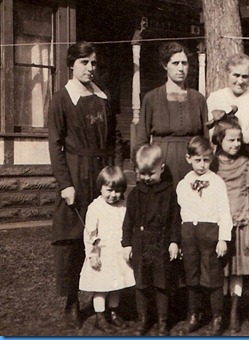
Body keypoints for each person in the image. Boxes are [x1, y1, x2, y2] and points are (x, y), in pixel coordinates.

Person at [48, 41, 118, 329]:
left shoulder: (103, 97)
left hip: (101, 174)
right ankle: (72, 302)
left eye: (93, 63)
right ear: (71, 65)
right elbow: (55, 145)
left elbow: (114, 139)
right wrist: (65, 183)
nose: (91, 68)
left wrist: (115, 173)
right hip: (76, 175)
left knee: (107, 235)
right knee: (74, 238)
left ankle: (107, 302)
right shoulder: (61, 99)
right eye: (84, 63)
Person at [209, 116, 249, 333]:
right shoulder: (212, 164)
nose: (236, 144)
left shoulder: (247, 163)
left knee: (237, 271)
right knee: (221, 271)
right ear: (219, 140)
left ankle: (234, 313)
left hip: (242, 223)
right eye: (231, 140)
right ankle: (219, 313)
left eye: (239, 140)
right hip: (220, 226)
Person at [122, 144, 181, 336]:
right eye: (143, 174)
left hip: (161, 244)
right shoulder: (134, 195)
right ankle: (143, 319)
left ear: (161, 169)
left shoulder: (169, 193)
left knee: (161, 283)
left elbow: (174, 220)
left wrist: (174, 241)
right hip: (140, 244)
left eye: (151, 174)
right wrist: (127, 244)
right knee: (142, 284)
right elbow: (128, 221)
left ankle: (163, 321)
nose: (147, 178)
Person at [176, 136, 233, 336]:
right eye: (198, 160)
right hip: (189, 235)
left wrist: (223, 238)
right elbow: (180, 213)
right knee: (191, 277)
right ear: (188, 158)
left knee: (213, 278)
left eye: (206, 160)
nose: (202, 164)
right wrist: (180, 240)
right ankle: (194, 315)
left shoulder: (217, 183)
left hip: (210, 234)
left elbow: (224, 211)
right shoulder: (183, 184)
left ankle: (217, 317)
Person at [134, 41, 208, 188]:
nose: (181, 68)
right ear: (165, 65)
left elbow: (205, 139)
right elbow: (141, 140)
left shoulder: (198, 99)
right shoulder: (152, 98)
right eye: (175, 63)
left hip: (190, 166)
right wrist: (144, 169)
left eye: (184, 63)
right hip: (161, 165)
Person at [79, 166, 135, 333]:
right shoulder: (95, 207)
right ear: (101, 187)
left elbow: (127, 227)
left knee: (116, 285)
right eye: (109, 190)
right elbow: (90, 233)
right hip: (102, 254)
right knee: (101, 287)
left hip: (117, 253)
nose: (113, 195)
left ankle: (113, 312)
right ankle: (100, 316)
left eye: (118, 191)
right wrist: (92, 254)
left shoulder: (123, 206)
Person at [207, 53, 249, 194]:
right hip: (223, 159)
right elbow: (210, 133)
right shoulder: (216, 98)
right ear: (227, 74)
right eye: (236, 75)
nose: (240, 81)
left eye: (245, 76)